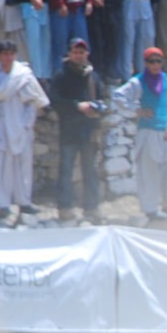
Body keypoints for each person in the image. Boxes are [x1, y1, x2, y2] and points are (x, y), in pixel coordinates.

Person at [0, 40, 50, 219]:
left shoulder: (23, 75)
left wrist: (27, 123)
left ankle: (24, 202)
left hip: (21, 123)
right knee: (2, 165)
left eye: (11, 53)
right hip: (1, 124)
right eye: (4, 53)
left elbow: (36, 99)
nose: (8, 57)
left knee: (23, 165)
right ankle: (3, 205)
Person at [114, 46, 167, 223]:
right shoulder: (139, 81)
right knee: (149, 170)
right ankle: (150, 209)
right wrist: (137, 110)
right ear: (146, 63)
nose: (155, 65)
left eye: (159, 61)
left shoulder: (165, 79)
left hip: (164, 132)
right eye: (152, 61)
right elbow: (118, 97)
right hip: (148, 131)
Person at [50, 37, 107, 223]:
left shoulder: (93, 76)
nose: (78, 55)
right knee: (66, 169)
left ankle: (92, 207)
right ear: (69, 54)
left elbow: (102, 98)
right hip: (69, 130)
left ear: (87, 54)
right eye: (75, 52)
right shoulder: (60, 75)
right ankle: (65, 208)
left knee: (90, 170)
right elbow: (56, 102)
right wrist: (77, 106)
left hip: (88, 130)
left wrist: (97, 109)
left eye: (81, 52)